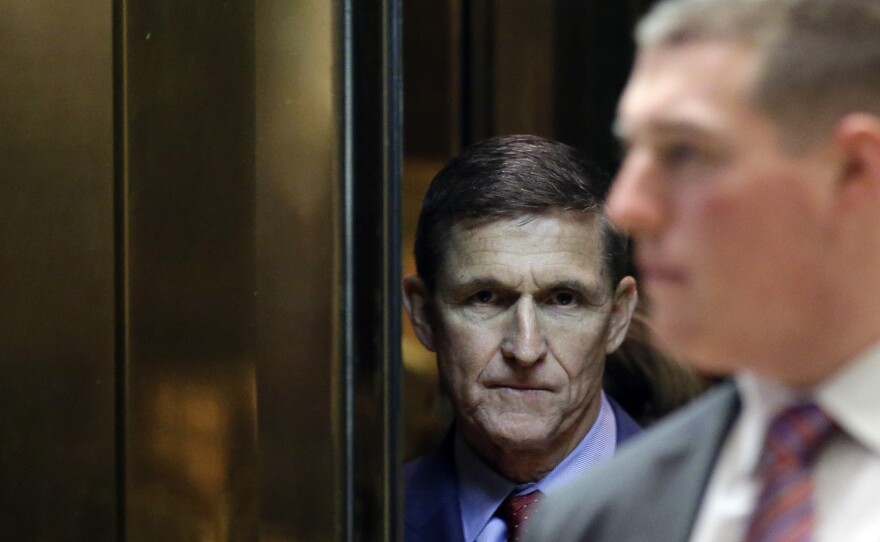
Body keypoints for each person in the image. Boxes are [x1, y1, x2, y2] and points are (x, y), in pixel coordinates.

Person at [527, 0, 880, 540]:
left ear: (852, 170)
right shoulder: (596, 517)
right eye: (632, 150)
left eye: (684, 153)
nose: (626, 206)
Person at [402, 135, 641, 542]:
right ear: (424, 315)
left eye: (563, 300)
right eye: (485, 298)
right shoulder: (367, 520)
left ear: (617, 318)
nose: (526, 349)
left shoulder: (721, 515)